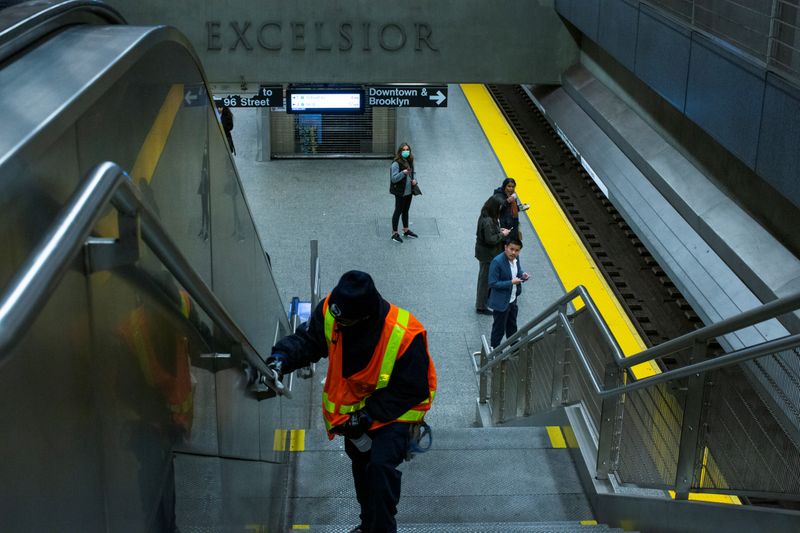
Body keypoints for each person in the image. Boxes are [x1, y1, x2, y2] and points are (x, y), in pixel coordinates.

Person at [267, 271, 437, 533]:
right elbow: (309, 341)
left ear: (363, 318)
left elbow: (413, 389)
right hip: (354, 414)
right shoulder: (333, 313)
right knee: (361, 467)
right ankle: (367, 523)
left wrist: (369, 415)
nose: (337, 324)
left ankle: (382, 528)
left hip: (394, 413)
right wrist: (281, 358)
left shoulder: (404, 333)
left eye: (343, 320)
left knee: (380, 469)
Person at [487, 238, 530, 349]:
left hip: (512, 299)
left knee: (512, 325)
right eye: (511, 249)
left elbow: (518, 270)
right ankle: (494, 349)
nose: (514, 252)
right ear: (505, 247)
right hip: (501, 302)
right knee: (499, 328)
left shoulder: (516, 258)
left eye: (517, 250)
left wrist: (523, 275)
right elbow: (493, 283)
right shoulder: (497, 262)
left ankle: (514, 347)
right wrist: (511, 282)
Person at [475, 196, 510, 315]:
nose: (500, 210)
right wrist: (502, 234)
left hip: (485, 253)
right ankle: (481, 306)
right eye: (499, 207)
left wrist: (499, 231)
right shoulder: (488, 220)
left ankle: (483, 303)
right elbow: (490, 240)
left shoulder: (485, 215)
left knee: (484, 279)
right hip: (487, 255)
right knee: (484, 280)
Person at [389, 143, 419, 243]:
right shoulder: (396, 163)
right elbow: (394, 179)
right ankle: (394, 233)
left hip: (409, 191)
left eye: (407, 150)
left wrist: (415, 181)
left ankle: (406, 230)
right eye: (404, 150)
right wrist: (403, 173)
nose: (406, 151)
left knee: (406, 211)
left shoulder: (410, 161)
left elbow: (413, 173)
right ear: (400, 151)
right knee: (398, 211)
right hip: (400, 192)